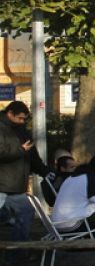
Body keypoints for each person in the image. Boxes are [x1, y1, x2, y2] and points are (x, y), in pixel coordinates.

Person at [0, 101, 49, 244]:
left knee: (26, 211)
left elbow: (32, 155)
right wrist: (20, 151)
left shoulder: (22, 130)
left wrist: (44, 170)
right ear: (10, 114)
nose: (22, 121)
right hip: (2, 183)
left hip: (16, 185)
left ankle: (18, 251)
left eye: (24, 119)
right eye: (20, 118)